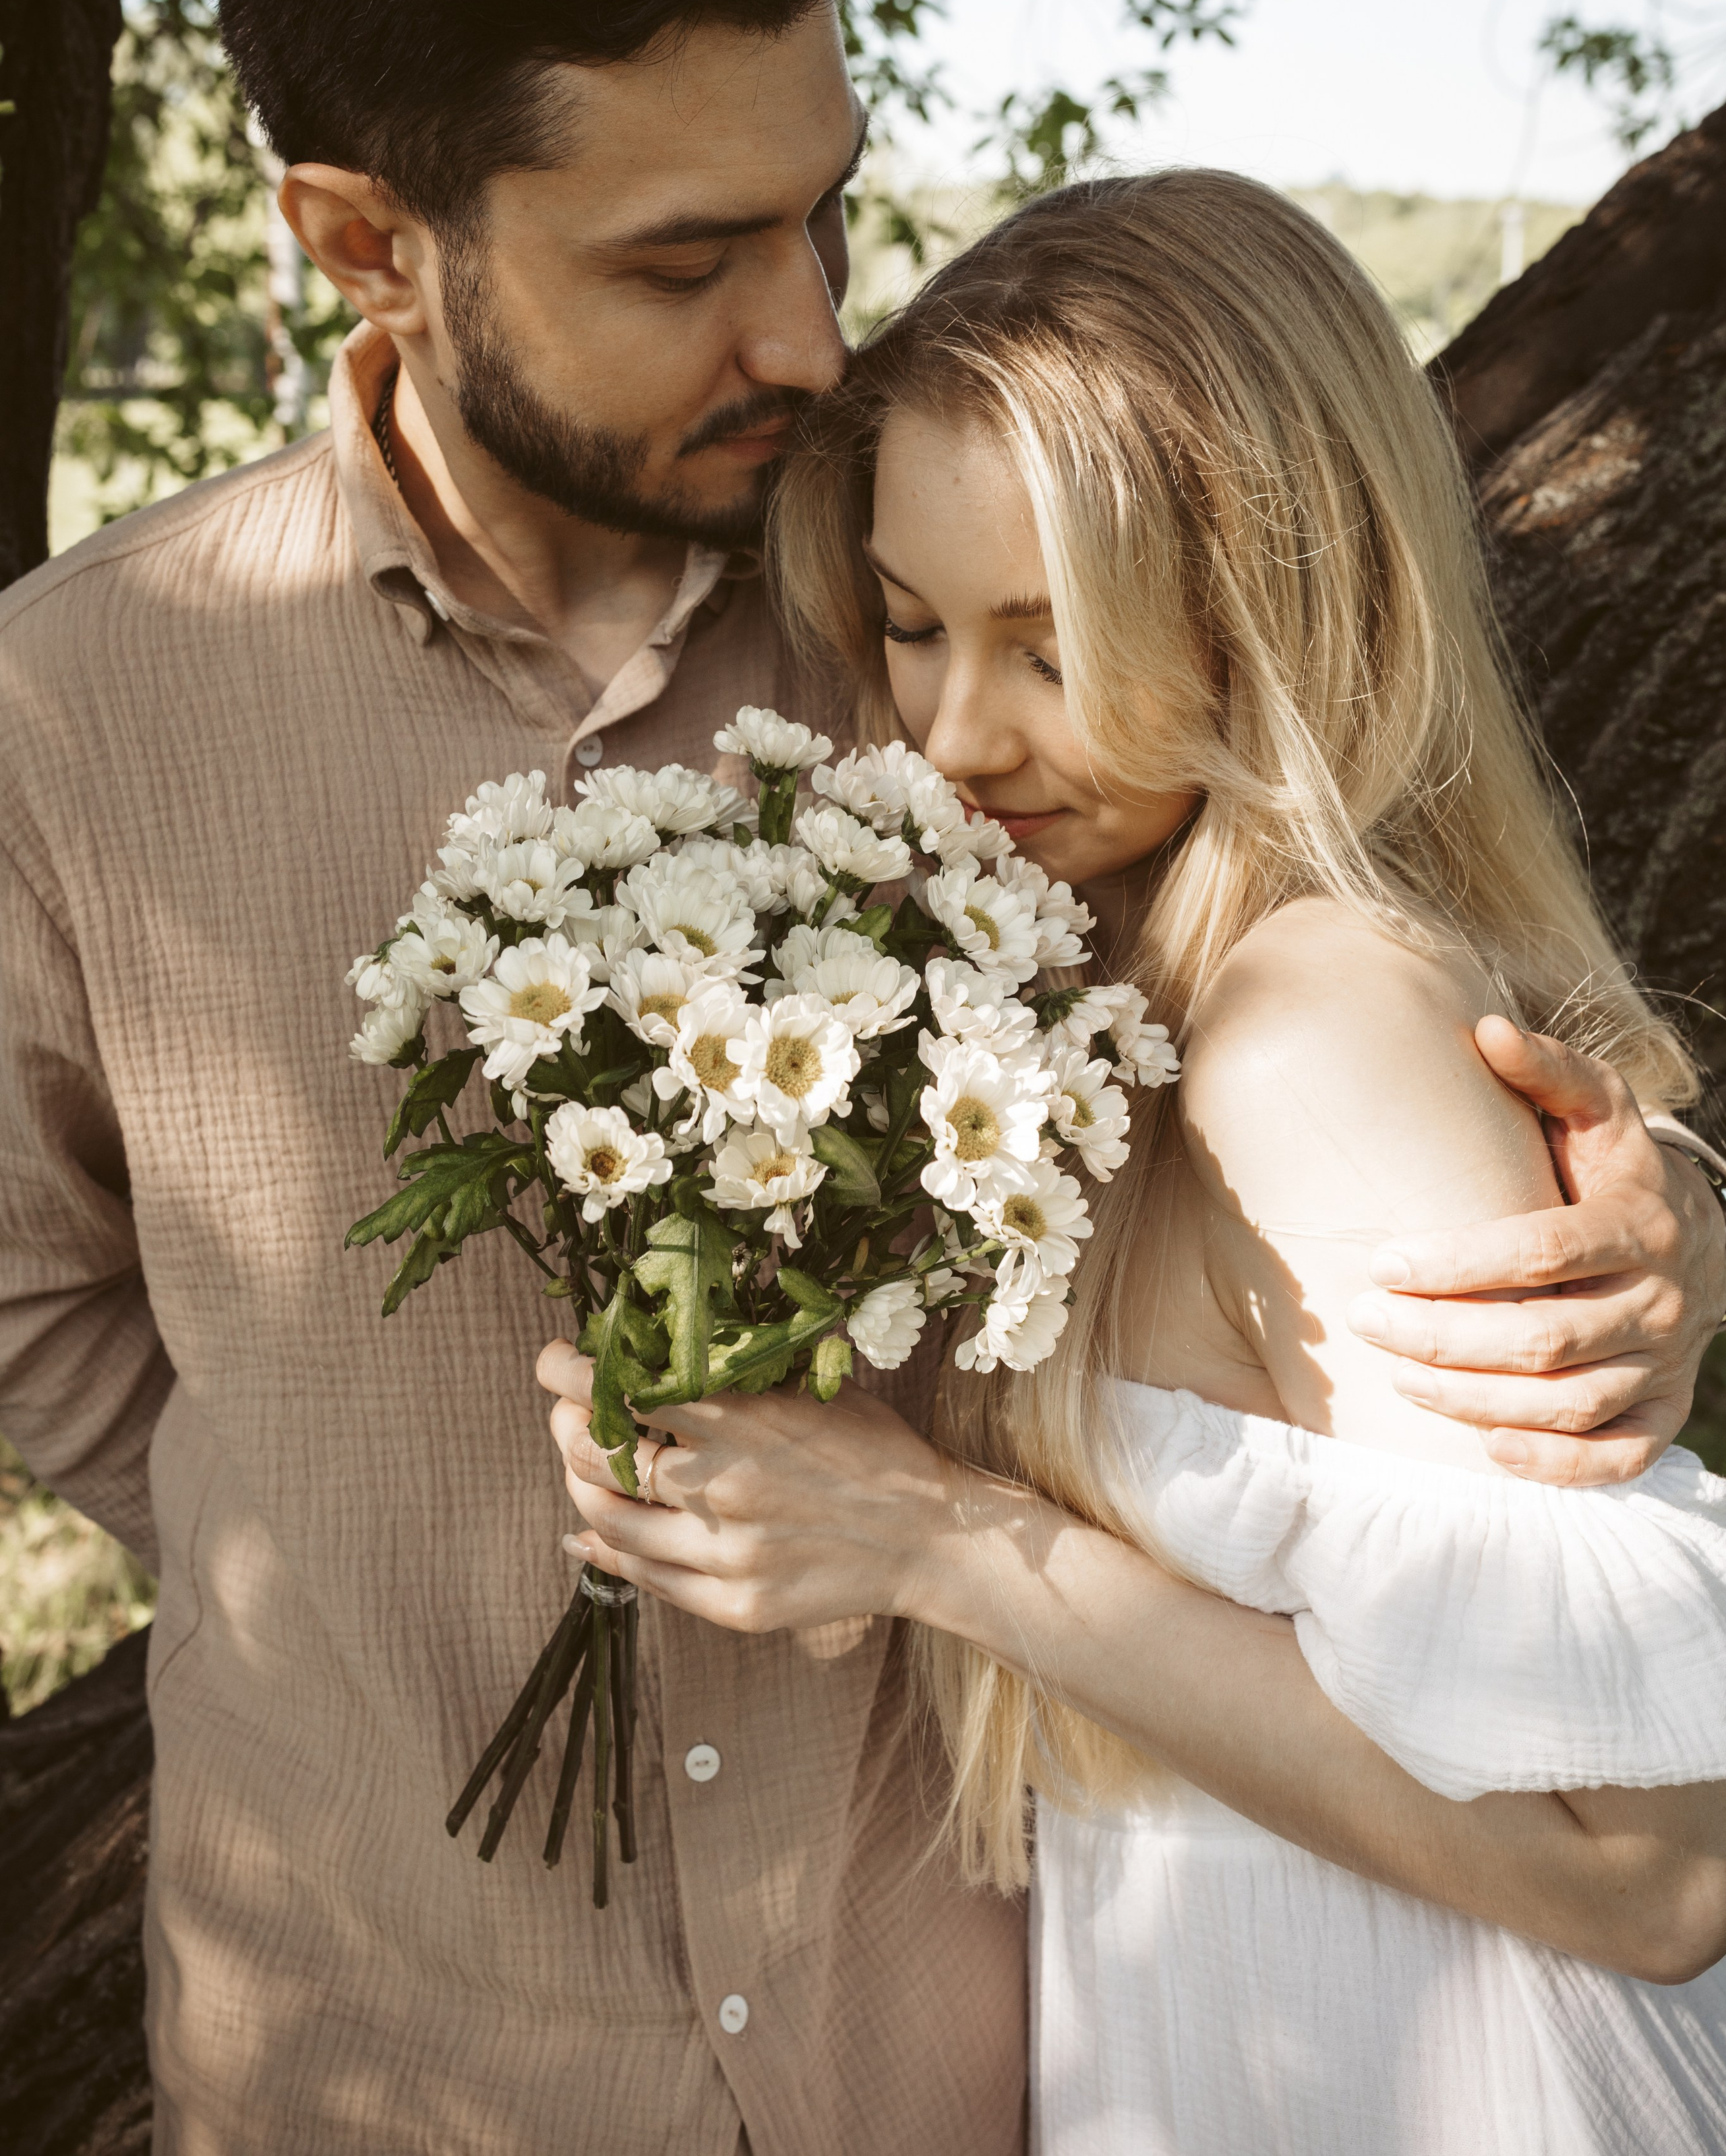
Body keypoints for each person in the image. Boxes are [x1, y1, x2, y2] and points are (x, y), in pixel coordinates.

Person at [0, 0, 1716, 2156]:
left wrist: (1646, 1272)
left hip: (982, 2055)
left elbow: (1337, 1054)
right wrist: (359, 1520)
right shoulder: (79, 716)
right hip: (397, 2078)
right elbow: (35, 1313)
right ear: (372, 242)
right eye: (688, 254)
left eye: (822, 205)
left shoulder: (953, 600)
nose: (807, 330)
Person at [541, 171, 1726, 2154]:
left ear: (1278, 606)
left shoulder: (1310, 1030)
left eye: (1051, 647)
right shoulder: (1094, 995)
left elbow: (1650, 1866)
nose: (955, 735)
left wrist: (929, 1542)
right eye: (913, 628)